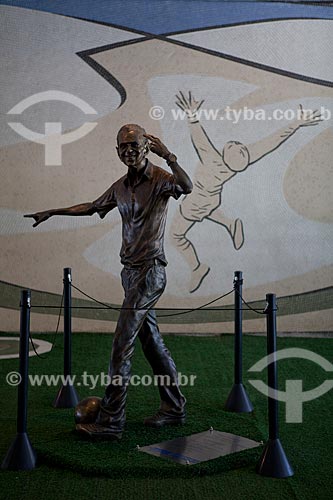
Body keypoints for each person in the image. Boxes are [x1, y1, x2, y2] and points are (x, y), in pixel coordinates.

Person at [25, 124, 193, 440]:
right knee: (151, 343)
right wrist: (53, 212)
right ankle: (174, 407)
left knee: (121, 345)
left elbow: (187, 186)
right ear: (117, 152)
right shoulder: (121, 186)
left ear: (147, 146)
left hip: (149, 272)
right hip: (129, 273)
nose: (128, 151)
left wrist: (169, 156)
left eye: (134, 145)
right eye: (123, 147)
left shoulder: (159, 179)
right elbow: (92, 207)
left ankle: (112, 421)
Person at [172, 91, 323, 293]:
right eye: (240, 145)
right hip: (210, 199)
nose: (237, 143)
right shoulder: (238, 163)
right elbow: (271, 142)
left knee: (176, 235)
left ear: (228, 153)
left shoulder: (211, 159)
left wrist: (191, 114)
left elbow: (199, 137)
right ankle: (229, 223)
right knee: (206, 211)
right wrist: (296, 123)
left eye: (236, 146)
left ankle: (197, 267)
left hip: (197, 201)